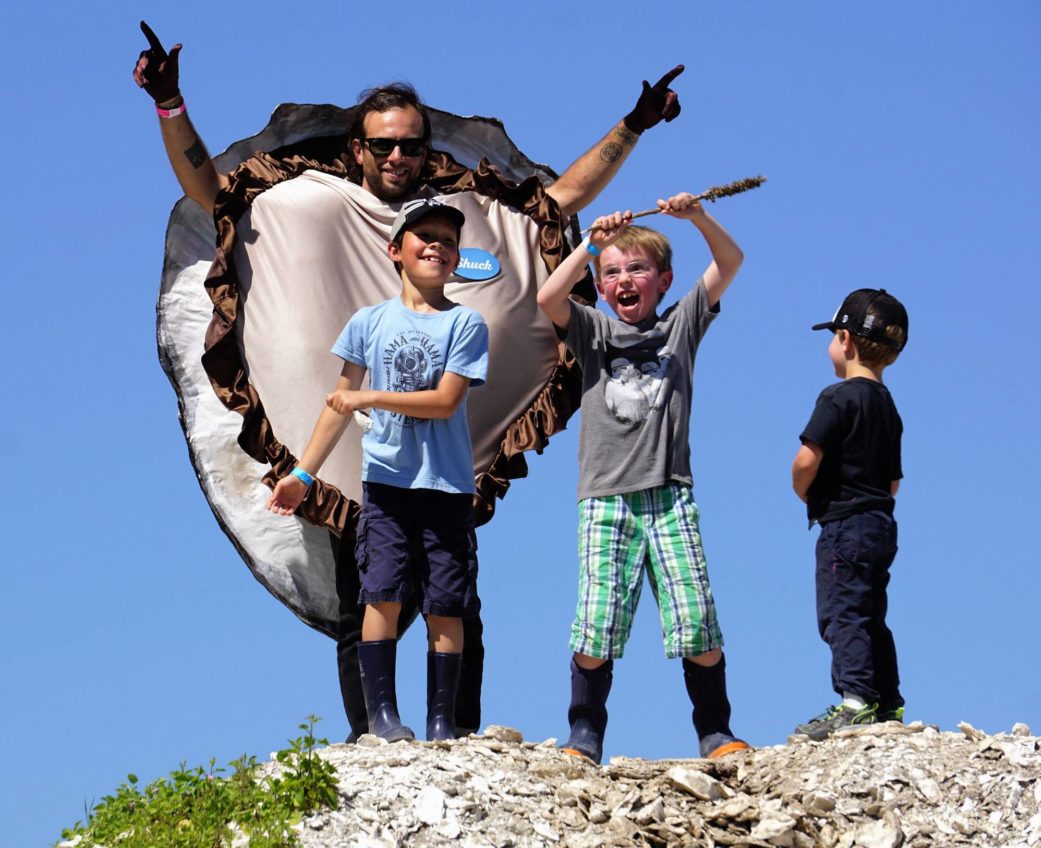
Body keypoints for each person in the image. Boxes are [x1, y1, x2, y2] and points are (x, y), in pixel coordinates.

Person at [133, 20, 686, 742]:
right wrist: (170, 103)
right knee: (364, 596)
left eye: (411, 143)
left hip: (444, 458)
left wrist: (634, 124)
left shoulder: (461, 213)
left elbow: (560, 203)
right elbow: (211, 194)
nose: (397, 155)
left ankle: (453, 735)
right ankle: (374, 737)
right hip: (351, 460)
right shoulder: (302, 197)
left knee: (456, 600)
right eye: (383, 143)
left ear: (429, 148)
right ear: (357, 147)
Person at [535, 194, 747, 762]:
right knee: (597, 620)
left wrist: (697, 218)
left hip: (670, 494)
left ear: (663, 280)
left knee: (695, 613)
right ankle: (585, 732)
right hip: (605, 499)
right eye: (612, 273)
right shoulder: (593, 332)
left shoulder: (681, 326)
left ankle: (715, 731)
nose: (624, 279)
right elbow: (547, 296)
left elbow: (730, 262)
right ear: (600, 288)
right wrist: (591, 244)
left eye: (637, 269)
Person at [267, 197, 488, 741]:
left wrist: (370, 398)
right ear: (396, 250)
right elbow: (337, 402)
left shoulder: (467, 322)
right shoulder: (368, 322)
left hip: (447, 486)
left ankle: (442, 721)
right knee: (380, 594)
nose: (436, 245)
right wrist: (302, 475)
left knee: (446, 603)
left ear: (458, 259)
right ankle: (382, 717)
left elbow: (444, 402)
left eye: (447, 239)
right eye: (423, 236)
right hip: (387, 487)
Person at [791, 288, 908, 741]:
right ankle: (887, 702)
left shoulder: (837, 398)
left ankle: (855, 701)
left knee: (841, 612)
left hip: (844, 525)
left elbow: (807, 457)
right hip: (882, 522)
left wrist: (803, 490)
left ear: (846, 339)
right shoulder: (887, 405)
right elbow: (895, 480)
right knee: (871, 611)